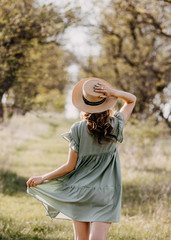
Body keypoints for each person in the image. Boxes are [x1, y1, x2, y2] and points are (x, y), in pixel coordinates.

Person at [26, 77, 136, 240]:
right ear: (107, 102)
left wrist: (43, 177)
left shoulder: (77, 128)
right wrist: (112, 92)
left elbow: (70, 166)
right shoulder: (115, 125)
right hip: (105, 193)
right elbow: (131, 100)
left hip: (80, 191)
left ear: (84, 104)